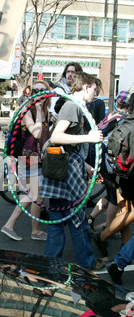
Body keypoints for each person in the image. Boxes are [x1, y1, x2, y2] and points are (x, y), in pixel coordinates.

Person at [40, 72, 104, 271]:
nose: (96, 94)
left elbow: (67, 145)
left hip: (66, 168)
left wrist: (85, 166)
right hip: (67, 172)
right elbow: (57, 137)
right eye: (95, 89)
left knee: (58, 220)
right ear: (86, 86)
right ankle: (87, 262)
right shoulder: (72, 106)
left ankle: (52, 265)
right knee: (77, 218)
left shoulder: (76, 106)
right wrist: (89, 138)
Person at [1, 80, 51, 241]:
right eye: (35, 90)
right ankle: (10, 225)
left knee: (38, 196)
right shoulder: (27, 110)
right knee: (34, 194)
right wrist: (38, 109)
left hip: (41, 158)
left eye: (42, 90)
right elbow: (36, 133)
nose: (39, 93)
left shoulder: (46, 111)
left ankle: (35, 230)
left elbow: (45, 136)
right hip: (28, 158)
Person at [92, 92, 134, 257]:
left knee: (125, 210)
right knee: (126, 211)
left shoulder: (121, 118)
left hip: (118, 172)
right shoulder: (122, 120)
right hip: (129, 176)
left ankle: (125, 250)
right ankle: (102, 236)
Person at [87, 90, 130, 233]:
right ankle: (108, 228)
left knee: (109, 193)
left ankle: (90, 219)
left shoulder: (111, 114)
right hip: (111, 164)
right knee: (114, 199)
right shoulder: (123, 119)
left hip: (101, 160)